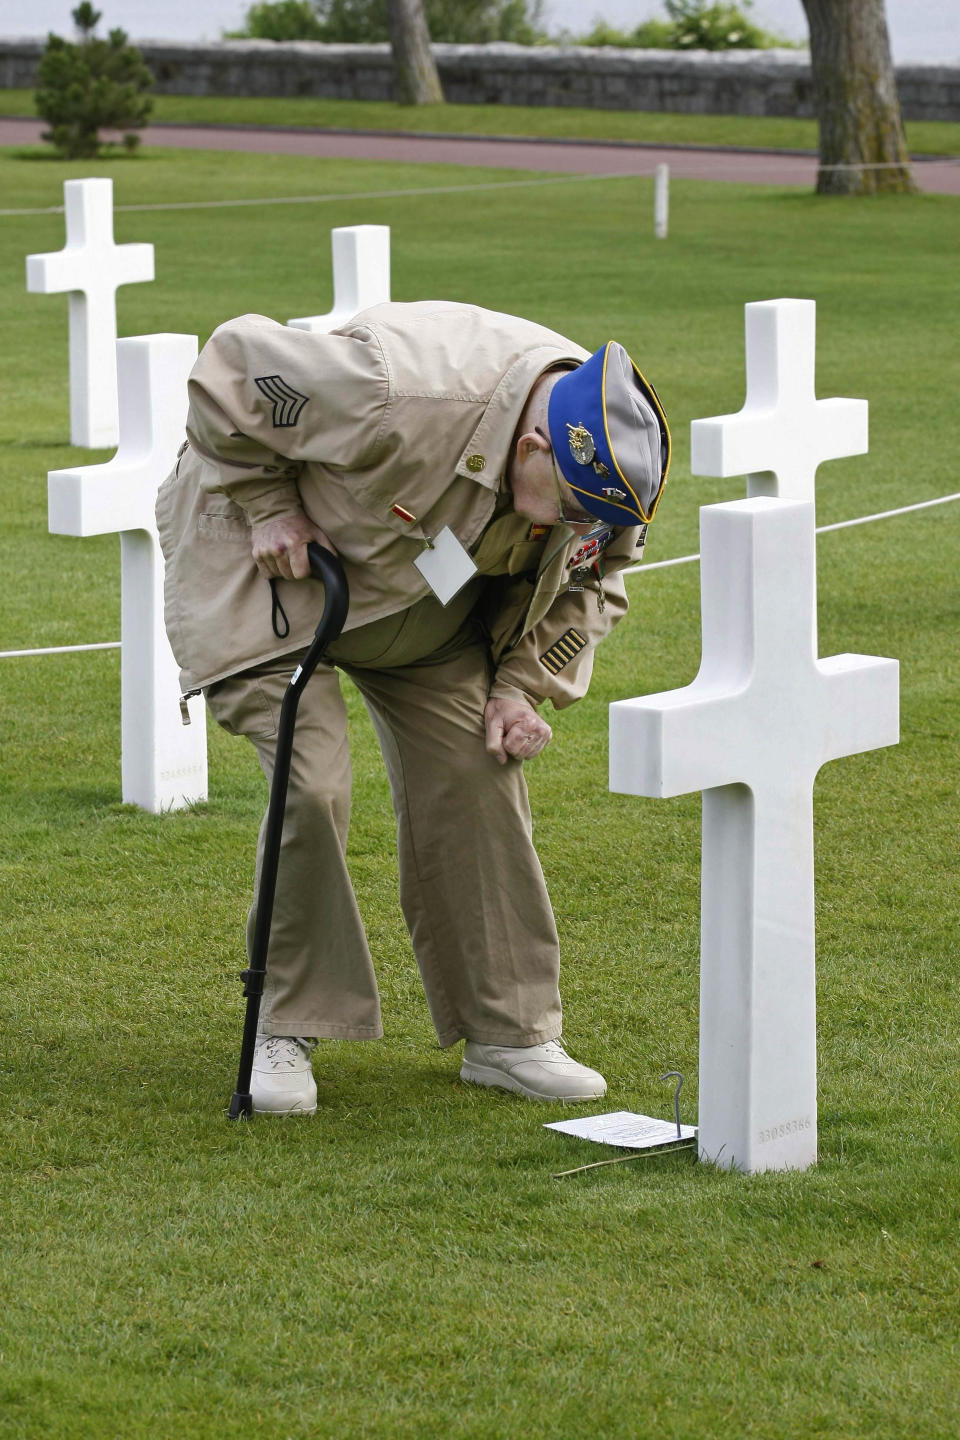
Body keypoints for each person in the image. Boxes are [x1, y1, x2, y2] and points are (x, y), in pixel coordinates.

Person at [157, 300, 670, 1116]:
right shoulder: (399, 391)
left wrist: (517, 687)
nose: (580, 525)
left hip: (426, 604)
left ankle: (508, 1034)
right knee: (312, 784)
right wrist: (269, 505)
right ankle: (285, 1023)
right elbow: (231, 368)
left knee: (478, 766)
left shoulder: (605, 457)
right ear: (531, 445)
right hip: (275, 576)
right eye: (571, 507)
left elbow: (595, 578)